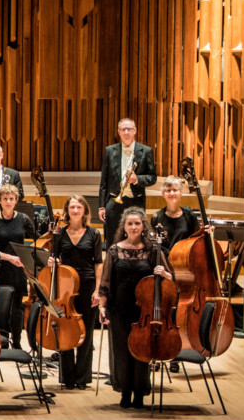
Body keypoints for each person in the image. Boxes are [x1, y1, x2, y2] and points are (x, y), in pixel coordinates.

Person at [97, 207, 172, 409]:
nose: (133, 227)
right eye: (129, 223)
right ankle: (125, 392)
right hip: (119, 308)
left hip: (144, 311)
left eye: (137, 223)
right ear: (124, 226)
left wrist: (163, 273)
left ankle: (139, 392)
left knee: (142, 351)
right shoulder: (114, 250)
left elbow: (171, 279)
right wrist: (102, 307)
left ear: (143, 226)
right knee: (121, 350)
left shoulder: (154, 250)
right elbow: (105, 282)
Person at [48, 194, 103, 389]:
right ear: (67, 211)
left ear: (85, 211)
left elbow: (98, 264)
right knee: (65, 330)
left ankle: (82, 377)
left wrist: (98, 290)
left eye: (79, 207)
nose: (75, 211)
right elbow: (54, 258)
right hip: (65, 288)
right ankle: (67, 377)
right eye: (72, 207)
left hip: (87, 286)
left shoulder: (94, 234)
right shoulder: (59, 233)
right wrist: (51, 261)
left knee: (86, 333)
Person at [99, 117, 157, 250]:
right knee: (112, 237)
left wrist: (137, 179)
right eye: (123, 129)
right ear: (119, 132)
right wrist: (102, 206)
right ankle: (111, 266)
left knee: (136, 237)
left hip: (135, 201)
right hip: (114, 200)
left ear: (134, 131)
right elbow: (104, 180)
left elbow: (152, 177)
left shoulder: (146, 151)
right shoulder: (110, 150)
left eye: (129, 129)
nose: (126, 132)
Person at [0, 183, 36, 349]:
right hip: (0, 267)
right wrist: (9, 257)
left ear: (16, 200)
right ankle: (2, 341)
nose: (8, 201)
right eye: (5, 198)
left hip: (18, 269)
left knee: (17, 307)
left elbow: (37, 238)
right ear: (0, 201)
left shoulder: (23, 219)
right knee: (2, 305)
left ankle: (16, 343)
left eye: (11, 198)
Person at [151, 176, 203, 254]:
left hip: (184, 260)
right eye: (168, 190)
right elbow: (152, 245)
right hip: (164, 262)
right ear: (163, 194)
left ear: (181, 193)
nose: (172, 193)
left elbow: (196, 240)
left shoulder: (190, 216)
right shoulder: (157, 217)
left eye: (175, 190)